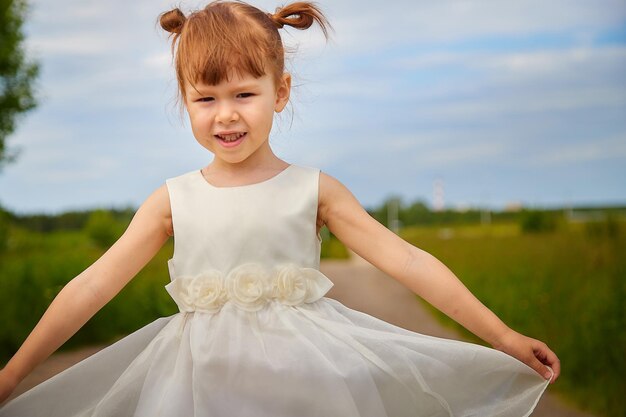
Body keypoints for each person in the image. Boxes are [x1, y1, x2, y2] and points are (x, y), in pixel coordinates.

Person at [0, 1, 561, 415]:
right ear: (184, 99)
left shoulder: (315, 190)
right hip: (198, 391)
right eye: (206, 98)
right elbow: (92, 287)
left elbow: (408, 263)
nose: (226, 115)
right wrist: (12, 375)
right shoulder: (172, 200)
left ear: (281, 91)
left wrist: (503, 336)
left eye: (245, 94)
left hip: (307, 385)